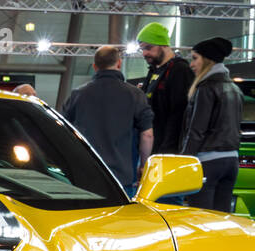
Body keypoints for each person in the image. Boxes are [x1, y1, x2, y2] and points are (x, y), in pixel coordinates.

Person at [62, 45, 153, 192]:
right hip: (122, 178)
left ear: (95, 66)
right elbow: (147, 135)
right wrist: (143, 167)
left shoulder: (77, 95)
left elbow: (63, 132)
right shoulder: (135, 94)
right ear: (119, 63)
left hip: (85, 176)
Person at [180, 36, 243, 212]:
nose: (191, 64)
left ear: (207, 60)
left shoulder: (206, 88)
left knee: (201, 219)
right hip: (231, 162)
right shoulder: (234, 89)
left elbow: (196, 130)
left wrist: (184, 162)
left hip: (208, 162)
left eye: (194, 58)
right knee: (221, 219)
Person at [136, 22, 189, 154]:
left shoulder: (179, 70)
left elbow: (178, 114)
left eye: (148, 48)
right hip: (152, 145)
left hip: (166, 149)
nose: (144, 53)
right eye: (142, 49)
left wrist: (167, 150)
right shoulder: (154, 70)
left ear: (163, 45)